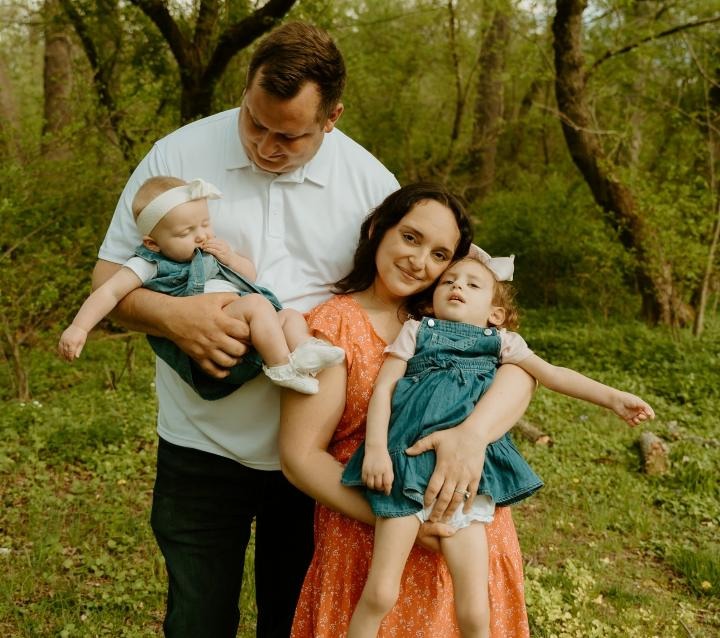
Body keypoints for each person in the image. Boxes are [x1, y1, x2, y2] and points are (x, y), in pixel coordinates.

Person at [92, 21, 405, 637]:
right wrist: (172, 316)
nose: (265, 146)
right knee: (197, 620)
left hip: (320, 453)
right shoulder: (177, 155)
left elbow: (413, 301)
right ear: (245, 90)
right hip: (199, 441)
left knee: (293, 622)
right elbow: (107, 277)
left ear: (332, 117)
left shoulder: (372, 185)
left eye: (288, 136)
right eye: (254, 123)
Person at [340, 250, 656, 638]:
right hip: (403, 468)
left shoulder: (503, 343)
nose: (457, 286)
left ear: (495, 314)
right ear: (432, 299)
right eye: (448, 281)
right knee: (380, 593)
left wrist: (613, 398)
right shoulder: (416, 331)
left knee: (475, 608)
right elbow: (384, 389)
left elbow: (553, 375)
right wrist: (375, 448)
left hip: (466, 485)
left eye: (473, 284)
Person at [280, 183, 536, 638]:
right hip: (372, 529)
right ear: (378, 230)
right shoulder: (335, 323)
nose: (419, 262)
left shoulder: (454, 314)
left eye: (439, 255)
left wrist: (472, 436)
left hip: (470, 522)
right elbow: (300, 457)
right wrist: (402, 518)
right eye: (410, 238)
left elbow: (522, 375)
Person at [59, 175, 345, 396]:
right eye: (186, 232)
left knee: (289, 316)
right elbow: (109, 291)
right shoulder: (148, 263)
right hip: (217, 345)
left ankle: (305, 351)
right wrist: (79, 328)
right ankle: (282, 369)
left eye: (205, 224)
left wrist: (230, 257)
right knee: (258, 305)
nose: (201, 236)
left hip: (252, 330)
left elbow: (249, 276)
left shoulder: (209, 251)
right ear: (153, 243)